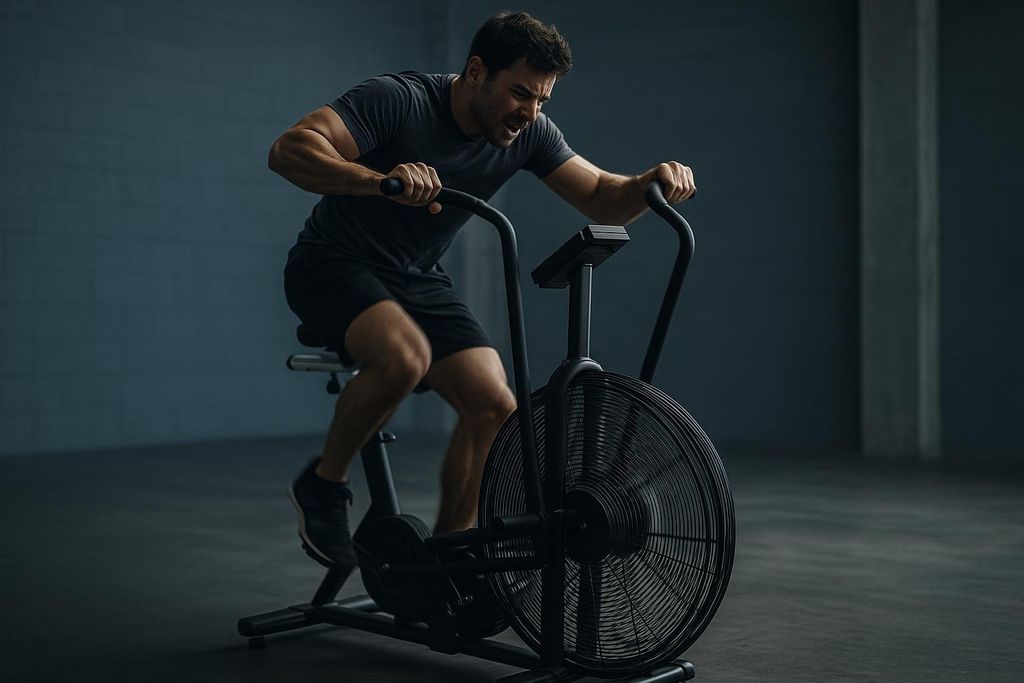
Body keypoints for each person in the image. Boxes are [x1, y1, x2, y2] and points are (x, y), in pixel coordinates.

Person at [271, 12, 696, 568]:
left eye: (542, 99)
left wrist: (650, 183)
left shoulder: (527, 133)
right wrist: (380, 181)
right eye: (520, 92)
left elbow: (600, 195)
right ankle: (325, 485)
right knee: (405, 358)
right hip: (332, 262)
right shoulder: (397, 101)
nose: (531, 112)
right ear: (475, 72)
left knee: (495, 405)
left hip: (416, 275)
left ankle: (446, 560)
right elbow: (290, 150)